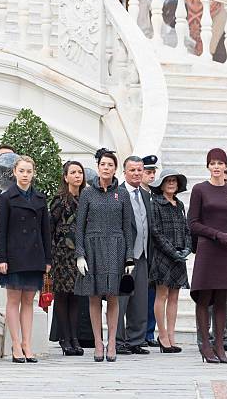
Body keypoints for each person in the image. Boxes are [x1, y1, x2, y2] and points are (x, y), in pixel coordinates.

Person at [73, 148, 134, 362]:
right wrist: (80, 254)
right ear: (98, 167)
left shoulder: (123, 193)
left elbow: (128, 228)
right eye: (103, 165)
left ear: (115, 169)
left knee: (113, 297)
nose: (106, 168)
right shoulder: (87, 193)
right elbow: (79, 227)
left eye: (110, 165)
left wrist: (129, 257)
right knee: (94, 297)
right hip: (92, 248)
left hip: (116, 247)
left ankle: (112, 343)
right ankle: (98, 342)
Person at [189, 148, 227, 364]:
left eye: (220, 163)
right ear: (208, 166)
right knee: (204, 297)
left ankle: (219, 344)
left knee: (222, 298)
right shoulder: (199, 190)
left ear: (226, 166)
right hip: (207, 248)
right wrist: (217, 235)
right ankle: (205, 344)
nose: (216, 167)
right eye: (212, 163)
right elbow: (193, 223)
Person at [0, 155, 52, 363]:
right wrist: (1, 258)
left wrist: (48, 259)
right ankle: (16, 344)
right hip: (13, 255)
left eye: (29, 171)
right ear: (15, 172)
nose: (25, 175)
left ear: (33, 173)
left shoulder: (40, 198)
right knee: (13, 300)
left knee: (29, 301)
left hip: (35, 255)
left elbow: (46, 230)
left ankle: (27, 344)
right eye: (22, 171)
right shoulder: (6, 197)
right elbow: (0, 230)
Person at [149, 169, 191, 353]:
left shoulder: (180, 204)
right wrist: (172, 251)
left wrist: (187, 248)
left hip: (179, 255)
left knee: (174, 296)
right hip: (163, 255)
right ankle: (163, 335)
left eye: (174, 181)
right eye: (168, 181)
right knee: (162, 295)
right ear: (162, 184)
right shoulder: (155, 203)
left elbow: (186, 229)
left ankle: (172, 336)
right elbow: (155, 232)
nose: (171, 184)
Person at [115, 156, 153, 355]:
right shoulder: (117, 193)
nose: (137, 173)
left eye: (140, 170)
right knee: (121, 300)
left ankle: (135, 339)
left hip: (144, 254)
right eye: (132, 170)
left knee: (140, 300)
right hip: (124, 256)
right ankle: (118, 340)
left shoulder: (146, 195)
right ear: (125, 172)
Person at [49, 161, 86, 356]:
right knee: (62, 296)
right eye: (73, 172)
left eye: (79, 172)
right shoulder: (59, 200)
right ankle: (64, 338)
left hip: (80, 253)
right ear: (65, 177)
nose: (77, 176)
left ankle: (74, 337)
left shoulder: (87, 198)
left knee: (76, 296)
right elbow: (50, 228)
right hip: (62, 254)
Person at [141, 154, 160, 348]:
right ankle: (140, 331)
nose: (151, 175)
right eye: (148, 172)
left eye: (153, 172)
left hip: (154, 251)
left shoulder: (156, 195)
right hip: (140, 250)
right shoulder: (135, 193)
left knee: (152, 293)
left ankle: (149, 332)